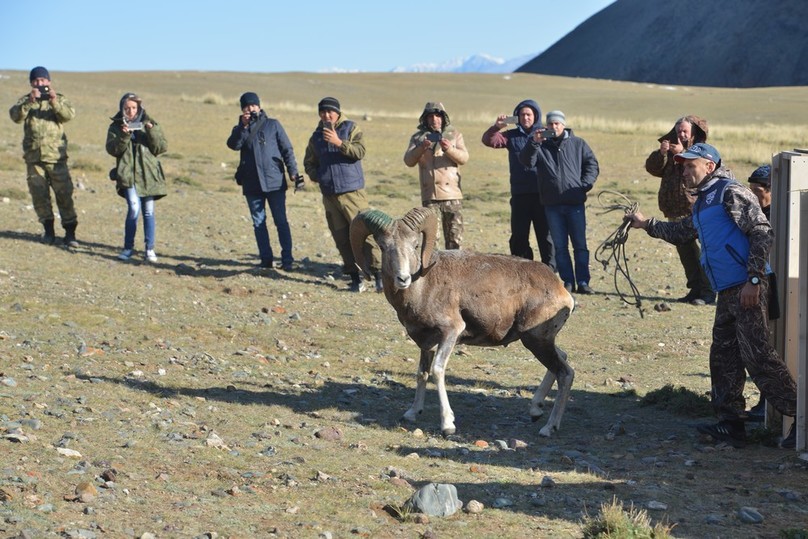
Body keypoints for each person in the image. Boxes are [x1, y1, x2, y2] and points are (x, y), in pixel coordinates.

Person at [625, 143, 797, 449]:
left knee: (757, 357)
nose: (685, 171)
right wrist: (646, 224)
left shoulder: (731, 192)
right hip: (728, 291)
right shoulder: (704, 201)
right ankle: (731, 426)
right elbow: (682, 232)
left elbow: (761, 232)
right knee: (723, 358)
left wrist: (754, 279)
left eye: (691, 165)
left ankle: (801, 416)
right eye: (683, 166)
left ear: (709, 165)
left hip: (748, 286)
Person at [303, 97, 381, 292]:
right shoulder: (316, 137)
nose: (326, 115)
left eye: (330, 111)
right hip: (330, 196)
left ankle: (379, 275)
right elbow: (309, 163)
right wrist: (319, 176)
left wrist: (339, 142)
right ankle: (356, 278)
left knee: (366, 234)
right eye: (322, 112)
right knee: (341, 237)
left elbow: (360, 151)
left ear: (337, 112)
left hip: (352, 192)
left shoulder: (351, 128)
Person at [518, 110, 599, 294]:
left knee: (580, 245)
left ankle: (583, 282)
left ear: (563, 125)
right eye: (550, 124)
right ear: (546, 126)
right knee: (560, 246)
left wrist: (584, 185)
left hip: (575, 202)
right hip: (552, 205)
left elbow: (591, 164)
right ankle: (568, 281)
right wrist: (534, 143)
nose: (554, 127)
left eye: (557, 124)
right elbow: (526, 162)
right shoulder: (541, 146)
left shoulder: (578, 144)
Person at [226, 92, 302, 270]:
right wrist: (243, 127)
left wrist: (293, 172)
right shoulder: (239, 129)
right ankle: (266, 260)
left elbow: (287, 149)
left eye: (253, 105)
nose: (250, 109)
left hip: (274, 181)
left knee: (281, 221)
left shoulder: (273, 125)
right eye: (246, 107)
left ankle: (287, 260)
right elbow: (233, 145)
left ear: (259, 106)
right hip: (252, 184)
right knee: (259, 223)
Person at [645, 116, 716, 305]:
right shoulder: (669, 149)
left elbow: (707, 171)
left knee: (704, 253)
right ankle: (695, 290)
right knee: (686, 254)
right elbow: (652, 168)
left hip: (696, 208)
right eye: (678, 131)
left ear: (693, 132)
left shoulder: (702, 151)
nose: (681, 134)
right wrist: (662, 154)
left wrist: (683, 153)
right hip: (675, 210)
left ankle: (708, 293)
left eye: (685, 131)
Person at [9, 66, 79, 247]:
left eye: (43, 80)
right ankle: (48, 231)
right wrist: (30, 102)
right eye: (36, 81)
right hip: (34, 158)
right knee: (39, 195)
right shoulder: (26, 100)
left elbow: (68, 116)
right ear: (31, 82)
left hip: (56, 157)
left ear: (49, 81)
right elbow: (15, 116)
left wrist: (55, 101)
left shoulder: (59, 99)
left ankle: (70, 233)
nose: (40, 83)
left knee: (64, 194)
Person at [481, 100, 555, 267]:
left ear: (535, 116)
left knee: (546, 236)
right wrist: (496, 126)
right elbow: (488, 140)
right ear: (517, 117)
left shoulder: (544, 133)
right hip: (520, 193)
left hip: (542, 193)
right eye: (522, 115)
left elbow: (559, 143)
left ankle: (551, 271)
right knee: (519, 235)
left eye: (529, 114)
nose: (525, 117)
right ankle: (522, 270)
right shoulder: (511, 136)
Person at [106, 93, 168, 263]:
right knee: (134, 208)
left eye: (134, 108)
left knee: (148, 211)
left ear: (139, 108)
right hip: (128, 176)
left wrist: (151, 130)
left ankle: (150, 249)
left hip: (149, 176)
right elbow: (113, 150)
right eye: (127, 108)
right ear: (122, 109)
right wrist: (124, 135)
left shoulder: (150, 122)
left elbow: (161, 147)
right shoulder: (115, 127)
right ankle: (128, 248)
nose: (131, 111)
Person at [404, 102, 469, 250]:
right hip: (430, 195)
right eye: (431, 116)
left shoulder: (455, 135)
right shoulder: (417, 138)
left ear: (443, 118)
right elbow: (408, 161)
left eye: (438, 116)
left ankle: (455, 272)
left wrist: (449, 149)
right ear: (425, 119)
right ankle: (431, 271)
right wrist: (422, 147)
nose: (434, 119)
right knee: (431, 239)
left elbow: (464, 158)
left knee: (455, 238)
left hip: (452, 195)